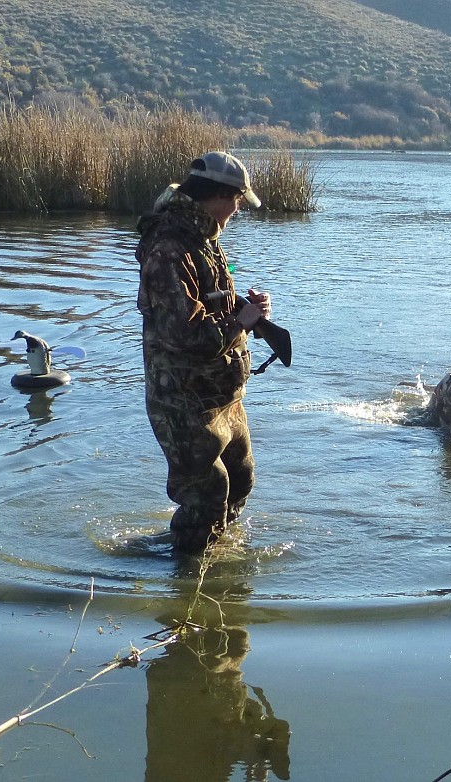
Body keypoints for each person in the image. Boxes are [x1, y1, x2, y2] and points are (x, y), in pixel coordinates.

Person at [135, 151, 272, 554]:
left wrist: (246, 309)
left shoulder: (203, 239)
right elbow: (185, 335)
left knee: (240, 478)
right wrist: (240, 323)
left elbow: (205, 304)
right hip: (182, 399)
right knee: (207, 493)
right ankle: (186, 584)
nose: (236, 212)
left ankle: (214, 553)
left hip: (222, 394)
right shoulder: (168, 248)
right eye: (235, 202)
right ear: (217, 196)